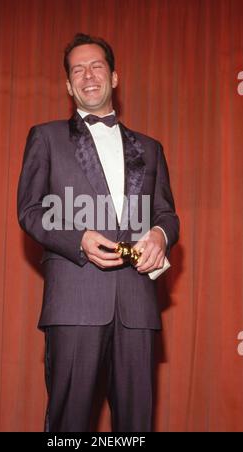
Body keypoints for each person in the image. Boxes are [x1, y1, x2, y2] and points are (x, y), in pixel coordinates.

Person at [17, 33, 179, 432]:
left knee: (135, 427)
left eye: (97, 66)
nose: (88, 75)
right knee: (69, 425)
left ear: (114, 76)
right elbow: (31, 211)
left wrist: (159, 235)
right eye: (78, 70)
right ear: (69, 86)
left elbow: (166, 214)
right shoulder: (46, 137)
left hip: (137, 305)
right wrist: (78, 239)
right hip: (75, 301)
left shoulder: (151, 148)